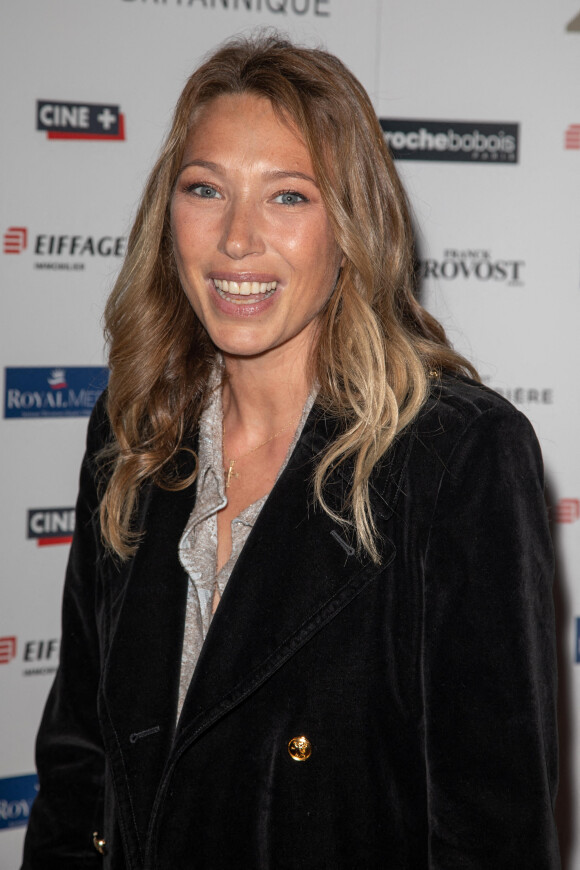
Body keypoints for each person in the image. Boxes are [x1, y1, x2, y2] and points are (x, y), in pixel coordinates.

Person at [21, 33, 560, 870]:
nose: (237, 239)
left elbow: (493, 836)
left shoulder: (458, 461)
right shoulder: (132, 435)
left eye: (288, 197)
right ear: (168, 216)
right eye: (206, 189)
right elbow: (78, 769)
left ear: (352, 227)